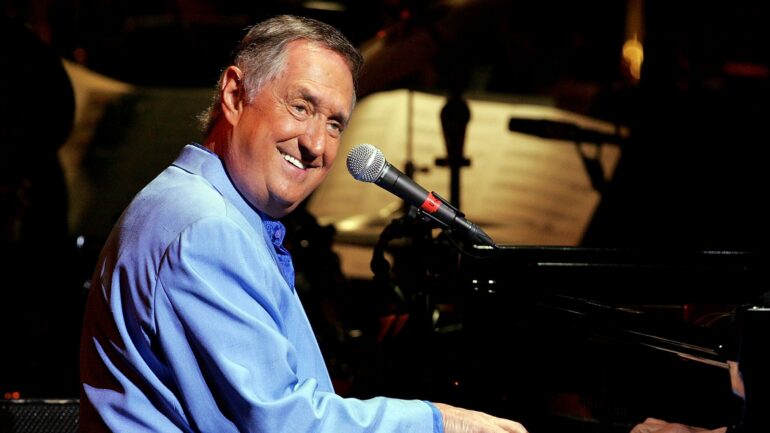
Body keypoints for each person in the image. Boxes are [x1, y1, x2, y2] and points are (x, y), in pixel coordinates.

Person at [78, 14, 527, 433]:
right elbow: (284, 422)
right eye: (300, 107)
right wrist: (439, 422)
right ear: (234, 95)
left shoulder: (197, 205)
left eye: (334, 124)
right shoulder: (205, 229)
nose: (316, 144)